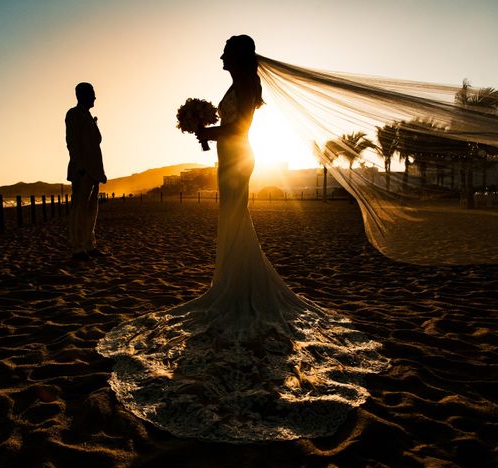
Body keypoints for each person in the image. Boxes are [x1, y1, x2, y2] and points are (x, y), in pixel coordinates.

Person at [97, 35, 387, 443]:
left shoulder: (248, 86)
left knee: (235, 217)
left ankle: (237, 285)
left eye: (225, 51)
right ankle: (231, 279)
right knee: (231, 219)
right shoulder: (236, 86)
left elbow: (240, 127)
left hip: (238, 155)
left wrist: (206, 130)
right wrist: (205, 131)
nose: (219, 56)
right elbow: (230, 127)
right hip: (230, 155)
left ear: (238, 56)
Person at [65, 82, 108, 261]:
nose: (95, 97)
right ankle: (77, 248)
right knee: (79, 209)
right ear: (82, 95)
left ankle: (89, 244)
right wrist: (80, 167)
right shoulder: (74, 114)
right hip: (82, 170)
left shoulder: (89, 116)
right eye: (92, 93)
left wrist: (99, 172)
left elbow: (95, 143)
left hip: (94, 171)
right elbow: (72, 142)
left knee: (91, 210)